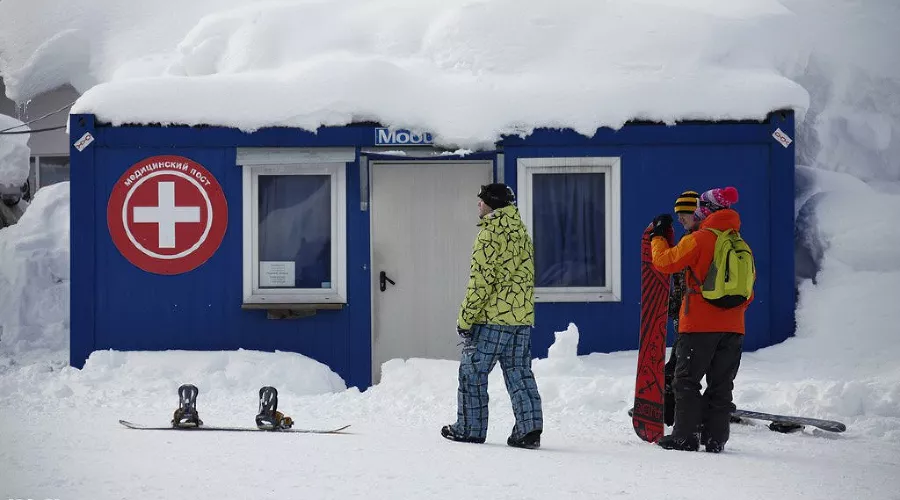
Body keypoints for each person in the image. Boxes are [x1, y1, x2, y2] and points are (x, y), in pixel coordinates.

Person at [648, 186, 751, 453]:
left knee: (686, 381)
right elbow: (748, 291)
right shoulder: (740, 243)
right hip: (734, 327)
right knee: (721, 384)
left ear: (707, 211)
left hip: (700, 324)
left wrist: (658, 237)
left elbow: (664, 262)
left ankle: (685, 436)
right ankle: (716, 439)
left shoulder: (701, 239)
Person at [441, 183, 544, 449]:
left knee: (472, 371)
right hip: (520, 317)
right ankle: (528, 429)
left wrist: (465, 319)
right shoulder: (520, 231)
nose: (478, 204)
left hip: (494, 318)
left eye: (482, 200)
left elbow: (481, 282)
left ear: (492, 204)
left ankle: (470, 428)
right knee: (519, 372)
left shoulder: (489, 235)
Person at [662, 190, 701, 426]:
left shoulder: (697, 240)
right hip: (686, 317)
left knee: (679, 371)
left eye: (683, 214)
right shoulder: (691, 237)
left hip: (695, 320)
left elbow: (670, 266)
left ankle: (671, 414)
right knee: (683, 369)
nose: (680, 219)